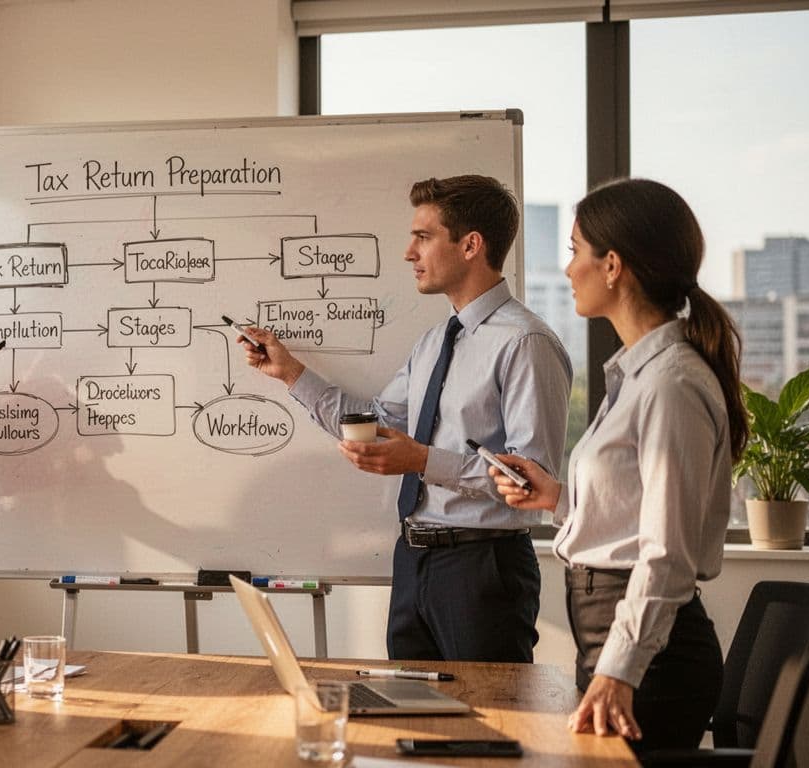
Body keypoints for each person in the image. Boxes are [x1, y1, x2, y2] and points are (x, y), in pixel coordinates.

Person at [241, 175, 572, 662]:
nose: (408, 252)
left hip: (483, 565)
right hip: (413, 559)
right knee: (413, 703)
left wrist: (421, 460)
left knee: (488, 708)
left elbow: (529, 480)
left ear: (470, 246)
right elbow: (375, 422)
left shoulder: (525, 343)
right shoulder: (434, 342)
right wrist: (290, 372)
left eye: (423, 236)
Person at [489, 178, 742, 752]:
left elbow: (667, 553)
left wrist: (619, 671)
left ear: (612, 266)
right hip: (615, 642)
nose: (568, 267)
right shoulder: (637, 376)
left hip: (651, 664)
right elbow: (633, 511)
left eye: (575, 249)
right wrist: (558, 498)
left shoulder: (671, 385)